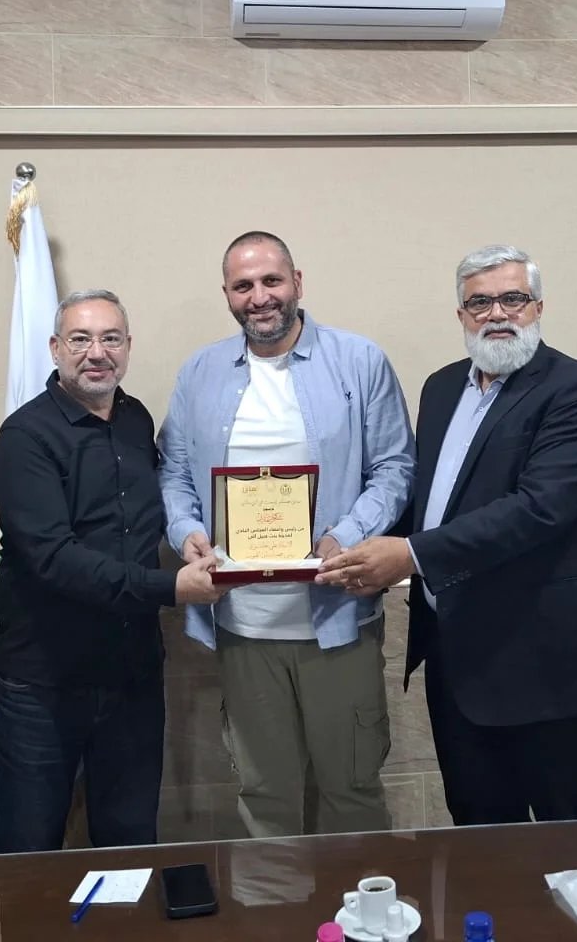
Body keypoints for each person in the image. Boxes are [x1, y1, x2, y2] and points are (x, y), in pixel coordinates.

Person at [318, 244, 577, 826]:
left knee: (566, 841)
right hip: (458, 665)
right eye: (480, 302)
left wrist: (408, 555)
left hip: (546, 669)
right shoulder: (441, 389)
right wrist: (353, 540)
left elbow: (539, 510)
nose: (497, 313)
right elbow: (428, 500)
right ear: (461, 314)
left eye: (513, 299)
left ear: (538, 307)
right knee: (479, 837)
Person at [159, 231, 415, 838]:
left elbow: (394, 467)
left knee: (351, 792)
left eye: (272, 281)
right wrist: (186, 530)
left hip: (337, 621)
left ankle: (359, 903)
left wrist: (347, 534)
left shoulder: (359, 361)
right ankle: (274, 900)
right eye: (243, 286)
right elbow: (173, 470)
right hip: (243, 628)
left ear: (297, 281)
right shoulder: (199, 372)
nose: (260, 297)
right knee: (264, 796)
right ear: (227, 294)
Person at [0, 289, 223, 853]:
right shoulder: (24, 437)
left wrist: (190, 536)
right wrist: (171, 587)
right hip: (43, 686)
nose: (97, 353)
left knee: (130, 844)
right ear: (55, 349)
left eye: (110, 338)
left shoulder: (136, 419)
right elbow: (53, 558)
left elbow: (153, 512)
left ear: (128, 346)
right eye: (81, 339)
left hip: (131, 679)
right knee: (30, 852)